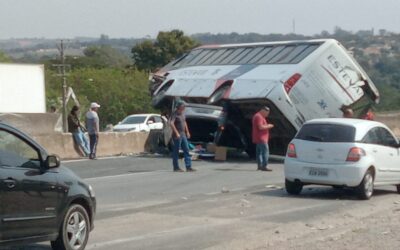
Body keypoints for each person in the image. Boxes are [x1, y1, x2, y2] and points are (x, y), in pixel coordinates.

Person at [170, 101, 195, 172]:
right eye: (183, 106)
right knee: (176, 151)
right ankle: (176, 167)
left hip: (183, 134)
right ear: (179, 106)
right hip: (177, 135)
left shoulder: (183, 114)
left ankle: (188, 167)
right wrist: (177, 133)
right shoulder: (175, 114)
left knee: (186, 149)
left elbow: (185, 122)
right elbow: (171, 123)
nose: (184, 107)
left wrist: (187, 131)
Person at [252, 106, 274, 171]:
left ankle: (260, 166)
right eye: (267, 113)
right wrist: (269, 126)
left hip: (258, 137)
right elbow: (260, 127)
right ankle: (264, 166)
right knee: (265, 152)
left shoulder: (258, 116)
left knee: (259, 153)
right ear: (263, 110)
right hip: (261, 138)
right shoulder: (259, 117)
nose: (267, 115)